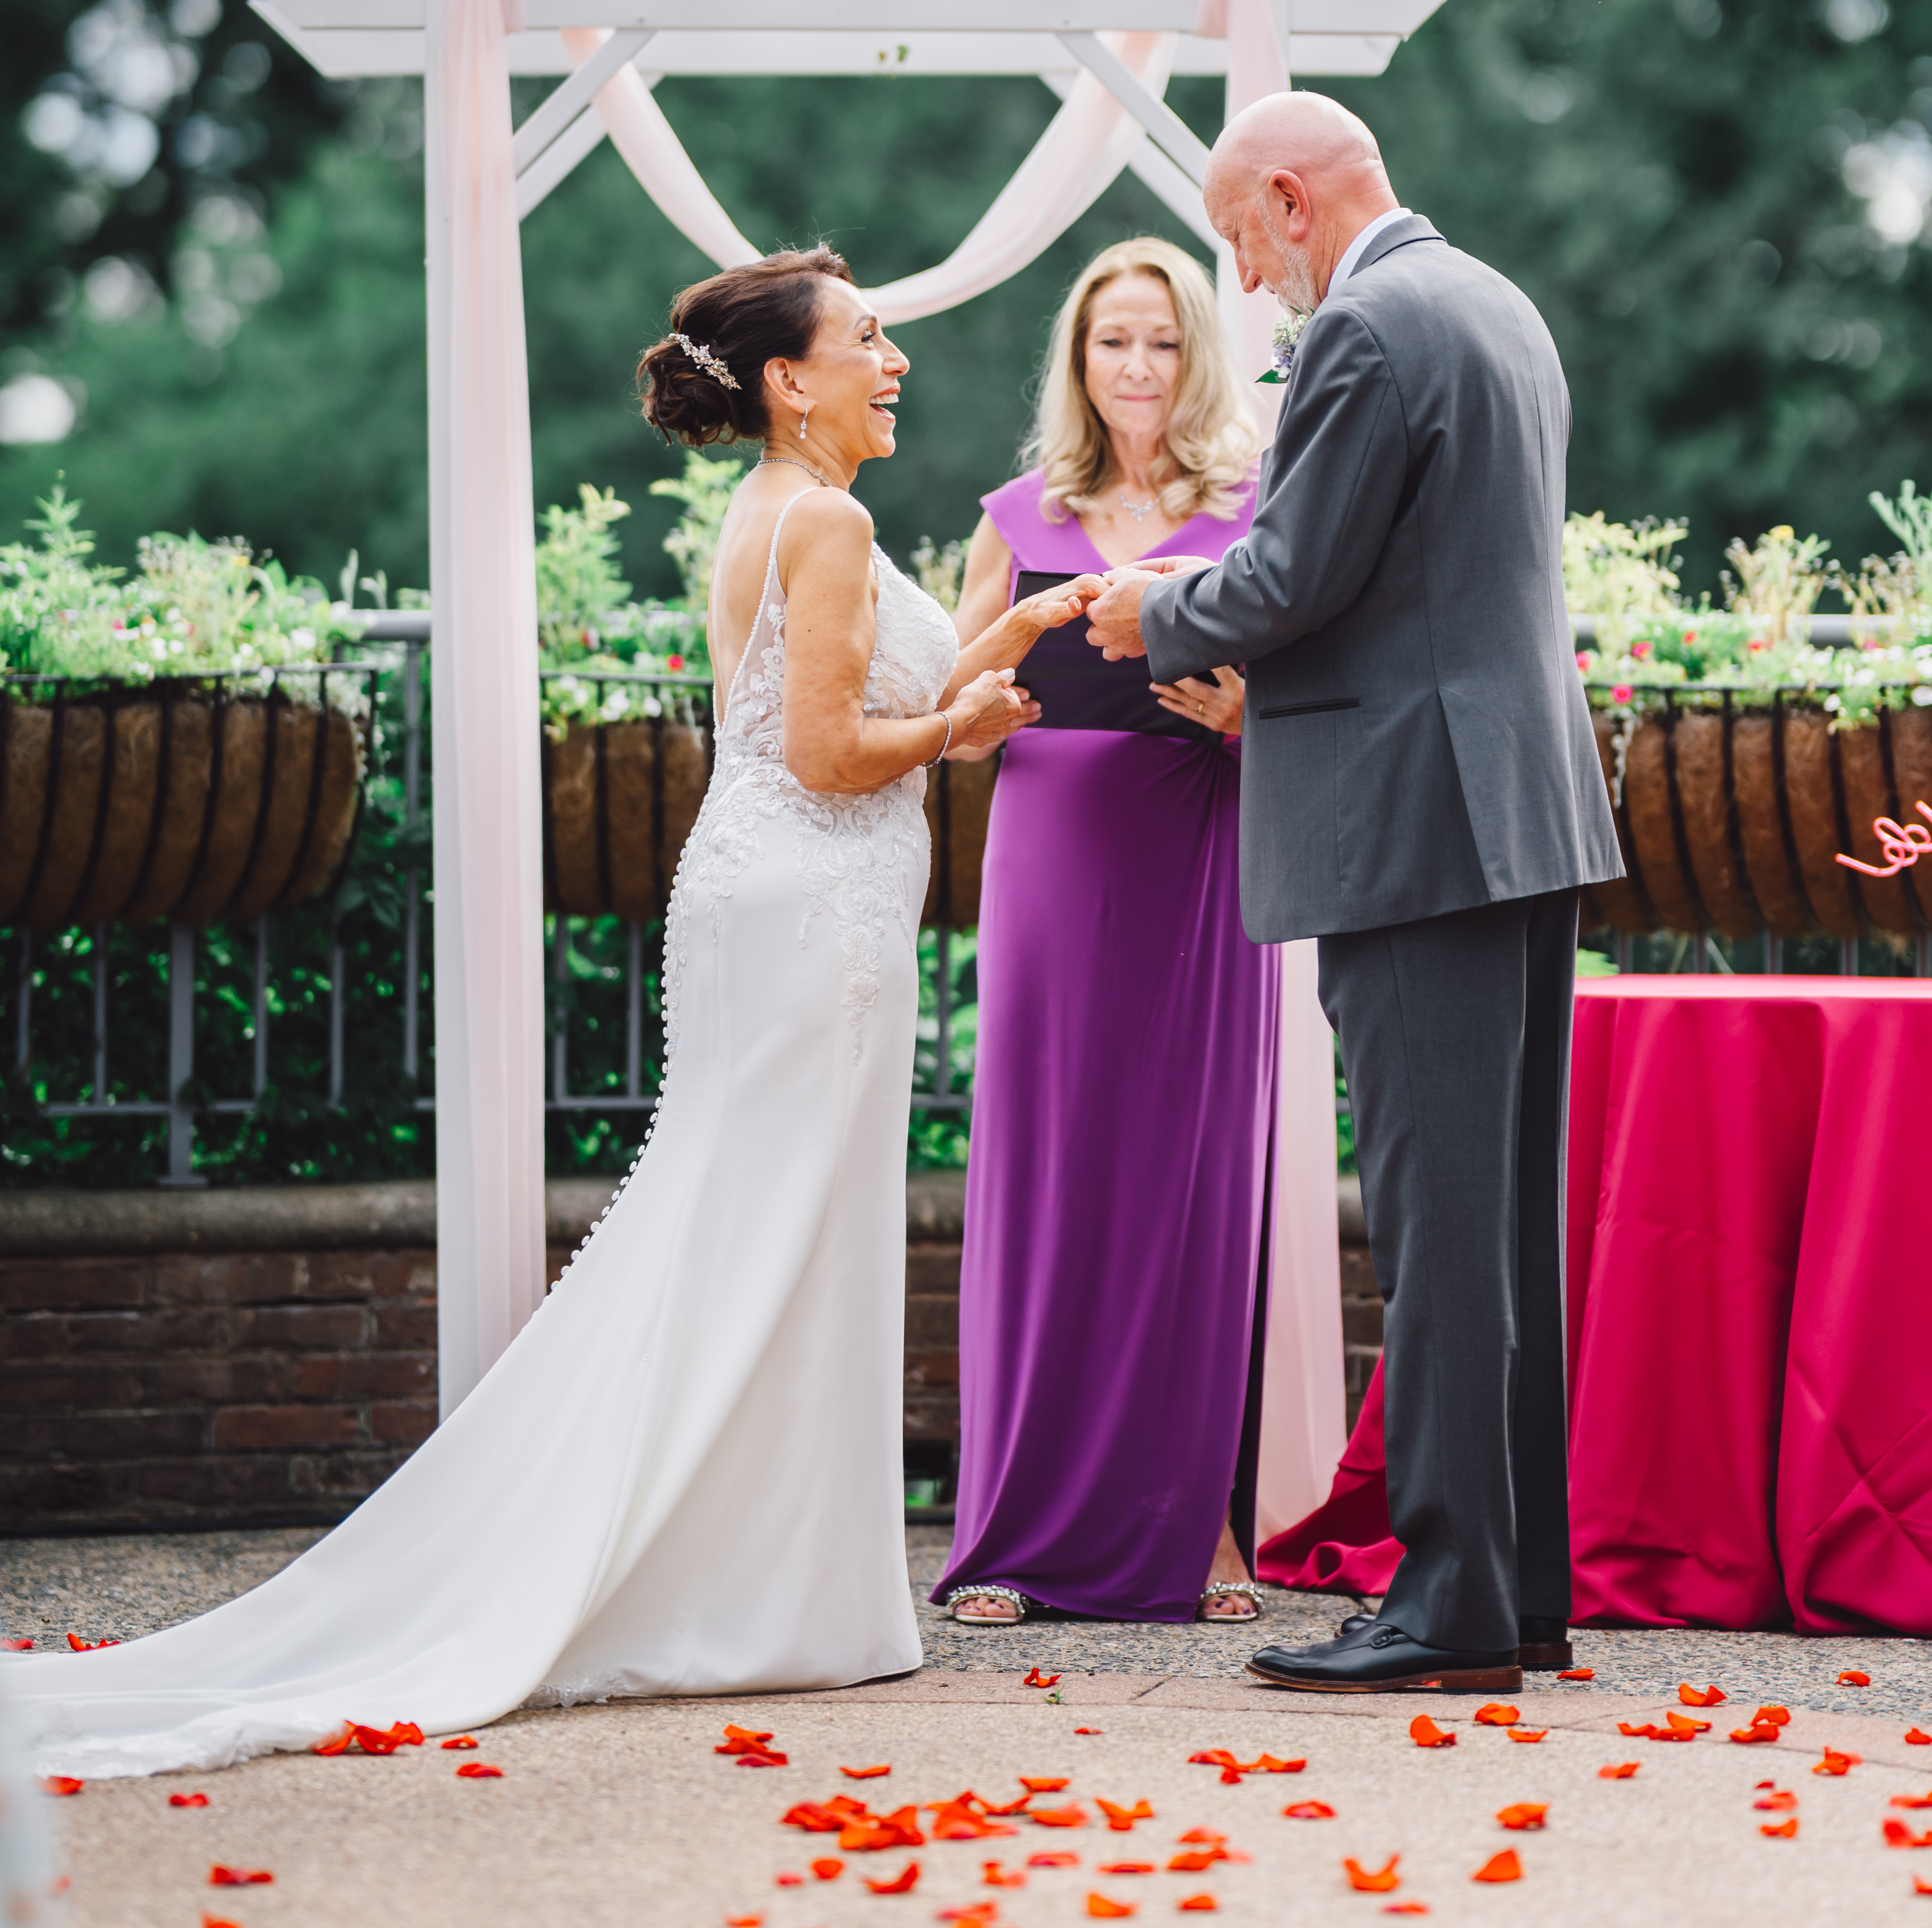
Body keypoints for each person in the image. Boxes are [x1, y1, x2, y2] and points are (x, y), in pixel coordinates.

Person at [15, 247, 1101, 1778]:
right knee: (762, 1231)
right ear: (791, 382)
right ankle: (736, 1582)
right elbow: (829, 757)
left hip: (780, 902)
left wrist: (1011, 652)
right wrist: (961, 728)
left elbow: (853, 710)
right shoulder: (831, 519)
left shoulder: (779, 512)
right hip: (811, 910)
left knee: (760, 1229)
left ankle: (767, 1578)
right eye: (868, 340)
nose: (892, 359)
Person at [1086, 97, 1623, 1695]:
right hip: (1512, 814)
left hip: (1415, 819)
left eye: (1242, 245)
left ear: (1287, 196)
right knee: (1499, 1223)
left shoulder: (1370, 323)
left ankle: (1451, 1605)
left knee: (1441, 1223)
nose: (1245, 287)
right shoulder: (1493, 304)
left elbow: (1294, 574)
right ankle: (1512, 1586)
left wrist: (1150, 610)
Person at [932, 235, 1282, 1628]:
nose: (1135, 367)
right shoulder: (1018, 511)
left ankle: (1198, 1531)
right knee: (1049, 1182)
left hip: (1196, 847)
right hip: (1050, 855)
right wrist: (1017, 663)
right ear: (1077, 364)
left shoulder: (1255, 508)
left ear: (1194, 361)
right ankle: (1009, 1534)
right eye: (1109, 343)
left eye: (1160, 342)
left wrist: (1249, 719)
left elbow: (1324, 695)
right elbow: (947, 699)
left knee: (1189, 1185)